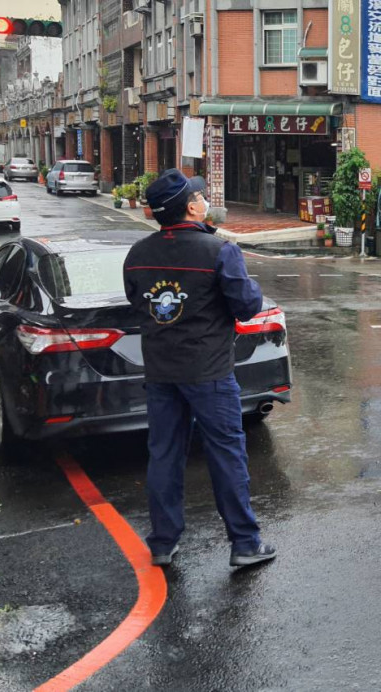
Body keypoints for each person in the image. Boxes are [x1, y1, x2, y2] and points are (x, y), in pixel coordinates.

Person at [123, 169, 276, 569]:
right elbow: (247, 306)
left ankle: (162, 542)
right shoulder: (219, 252)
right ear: (191, 207)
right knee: (226, 453)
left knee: (164, 455)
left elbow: (138, 304)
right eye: (201, 196)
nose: (206, 200)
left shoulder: (138, 255)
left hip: (160, 373)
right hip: (209, 373)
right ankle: (244, 542)